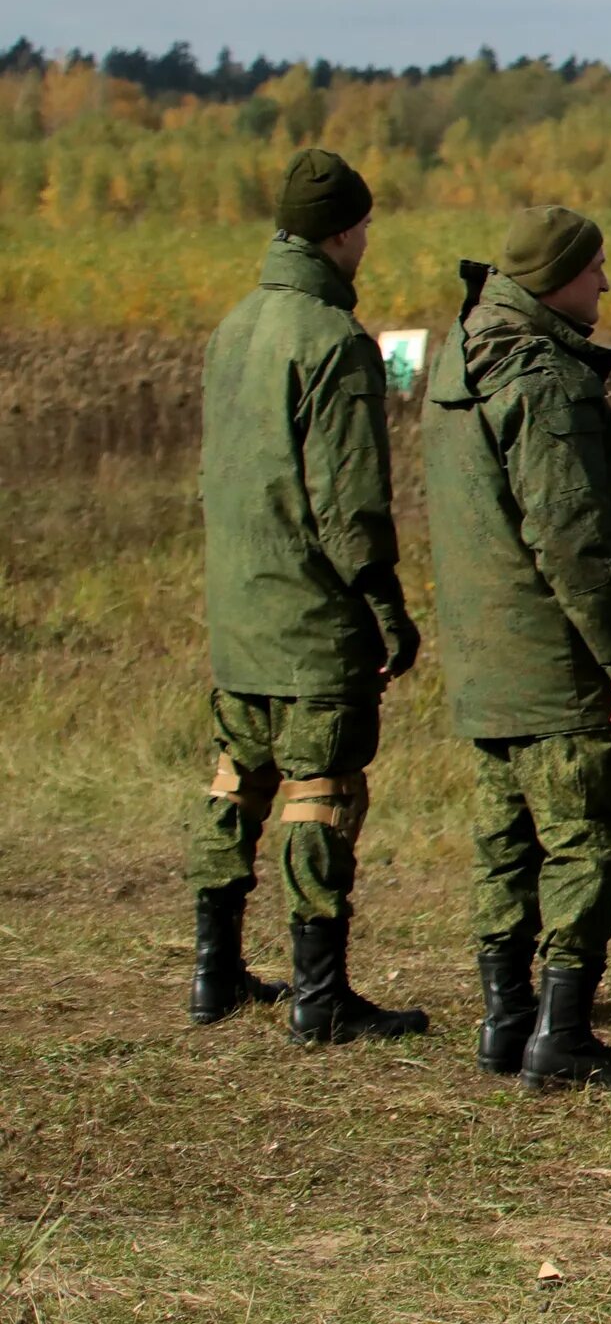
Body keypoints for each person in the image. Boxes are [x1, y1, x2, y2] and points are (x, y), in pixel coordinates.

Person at [190, 148, 428, 1043]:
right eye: (364, 227)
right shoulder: (332, 342)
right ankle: (319, 995)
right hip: (310, 615)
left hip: (238, 607)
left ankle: (214, 975)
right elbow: (350, 501)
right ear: (341, 233)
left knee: (233, 782)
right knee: (319, 792)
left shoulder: (234, 327)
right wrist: (384, 606)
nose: (367, 242)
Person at [423, 206, 611, 1092]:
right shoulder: (544, 377)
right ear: (555, 276)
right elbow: (573, 532)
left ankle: (506, 1018)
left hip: (486, 649)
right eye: (595, 267)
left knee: (507, 840)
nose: (605, 282)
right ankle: (560, 1034)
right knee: (592, 843)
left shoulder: (461, 357)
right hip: (550, 652)